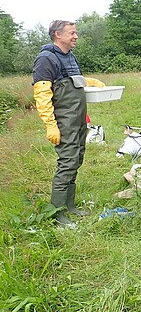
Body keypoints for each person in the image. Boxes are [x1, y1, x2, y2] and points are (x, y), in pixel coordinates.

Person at [32, 20, 105, 227]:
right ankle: (57, 214)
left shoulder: (69, 57)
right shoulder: (46, 59)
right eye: (72, 33)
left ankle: (69, 206)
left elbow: (74, 80)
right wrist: (50, 124)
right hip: (63, 123)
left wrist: (89, 81)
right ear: (58, 34)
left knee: (76, 160)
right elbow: (42, 95)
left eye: (76, 32)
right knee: (66, 164)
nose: (76, 36)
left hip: (78, 120)